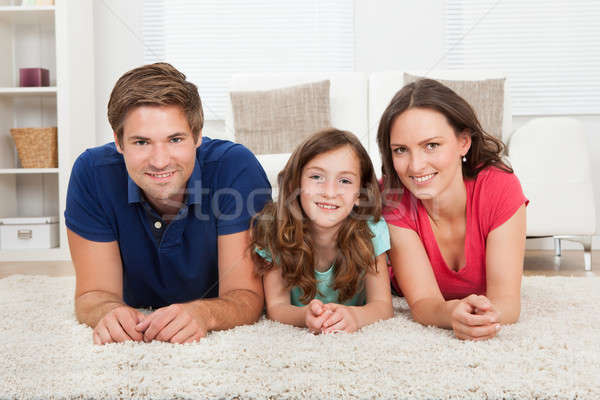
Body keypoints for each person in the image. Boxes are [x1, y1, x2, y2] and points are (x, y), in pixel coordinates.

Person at [65, 63, 271, 345]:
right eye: (141, 142)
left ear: (197, 136)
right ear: (118, 141)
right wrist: (109, 312)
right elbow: (93, 294)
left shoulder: (235, 167)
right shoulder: (91, 172)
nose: (160, 161)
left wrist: (204, 313)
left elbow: (247, 297)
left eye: (175, 139)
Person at [377, 79, 528, 341]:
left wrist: (484, 315)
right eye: (401, 150)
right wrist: (451, 314)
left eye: (431, 145)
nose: (415, 166)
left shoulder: (498, 186)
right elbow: (424, 303)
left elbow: (507, 302)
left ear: (463, 143)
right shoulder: (392, 196)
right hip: (396, 283)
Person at [251, 129, 393, 334]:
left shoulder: (371, 230)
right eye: (317, 177)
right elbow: (276, 307)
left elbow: (382, 305)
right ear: (294, 185)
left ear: (361, 194)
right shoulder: (275, 229)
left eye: (344, 181)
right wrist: (304, 316)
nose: (329, 192)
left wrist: (354, 316)